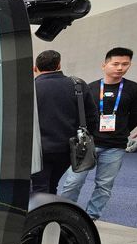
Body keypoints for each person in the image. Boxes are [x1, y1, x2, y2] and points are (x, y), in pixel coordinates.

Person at [58, 48, 137, 220]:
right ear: (104, 65)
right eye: (115, 64)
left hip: (115, 146)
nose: (120, 67)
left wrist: (122, 130)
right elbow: (78, 114)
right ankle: (64, 214)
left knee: (104, 185)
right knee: (73, 182)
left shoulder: (135, 90)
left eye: (125, 64)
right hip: (88, 142)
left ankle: (91, 217)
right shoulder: (89, 88)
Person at [30, 50, 94, 194]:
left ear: (35, 68)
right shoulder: (78, 85)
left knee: (39, 187)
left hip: (37, 149)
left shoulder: (30, 87)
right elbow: (92, 117)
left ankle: (39, 214)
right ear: (59, 65)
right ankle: (50, 212)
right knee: (53, 184)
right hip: (68, 149)